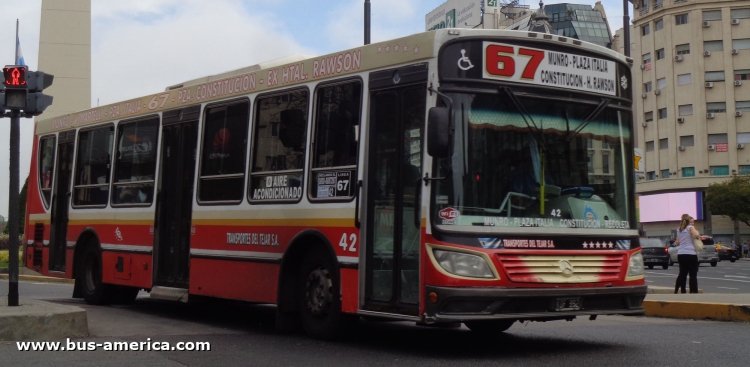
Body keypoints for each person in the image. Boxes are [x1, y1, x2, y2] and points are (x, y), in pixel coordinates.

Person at [674, 214, 702, 294]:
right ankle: (693, 291)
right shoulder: (690, 227)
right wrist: (697, 235)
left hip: (681, 254)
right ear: (689, 221)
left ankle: (681, 290)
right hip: (691, 254)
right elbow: (696, 236)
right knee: (693, 274)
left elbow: (678, 242)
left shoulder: (679, 229)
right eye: (692, 222)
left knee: (682, 273)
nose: (693, 223)